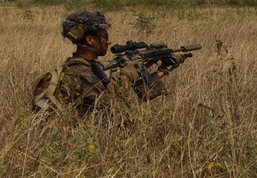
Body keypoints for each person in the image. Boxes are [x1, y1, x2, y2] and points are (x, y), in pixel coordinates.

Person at [33, 10, 187, 117]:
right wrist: (156, 73)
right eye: (104, 37)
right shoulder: (81, 73)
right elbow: (116, 113)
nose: (109, 41)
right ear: (90, 40)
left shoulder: (85, 67)